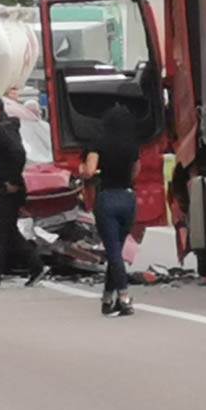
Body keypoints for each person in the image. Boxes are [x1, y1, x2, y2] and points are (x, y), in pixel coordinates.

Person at [0, 95, 46, 289]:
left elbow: (18, 153)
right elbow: (3, 154)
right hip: (0, 190)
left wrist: (10, 182)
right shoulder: (0, 129)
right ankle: (36, 266)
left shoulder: (3, 129)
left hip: (7, 191)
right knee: (9, 232)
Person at [81, 105, 141, 317]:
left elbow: (89, 171)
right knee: (116, 250)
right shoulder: (132, 146)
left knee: (113, 252)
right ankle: (107, 299)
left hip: (107, 199)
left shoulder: (99, 143)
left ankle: (124, 298)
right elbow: (135, 173)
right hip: (128, 198)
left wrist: (83, 170)